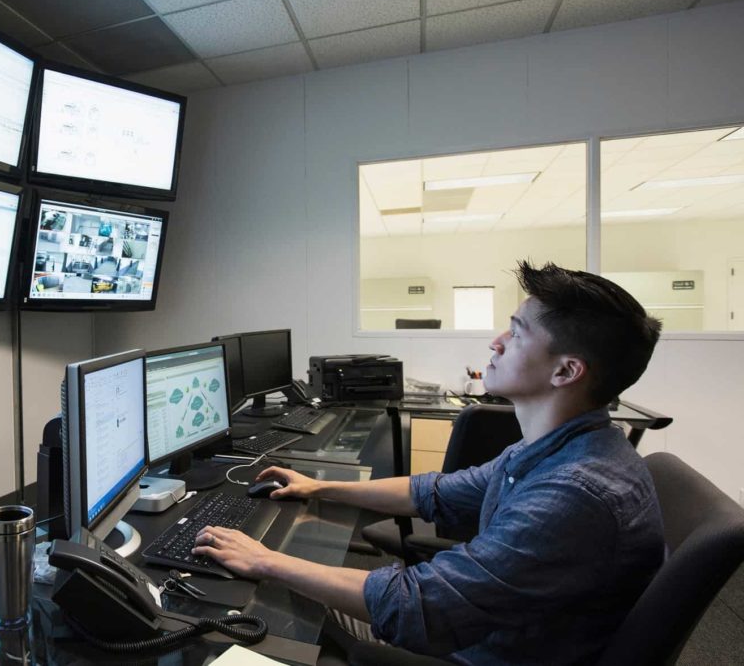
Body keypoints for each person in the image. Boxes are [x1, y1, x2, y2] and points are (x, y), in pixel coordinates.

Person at [193, 261, 666, 665]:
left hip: (475, 651)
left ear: (566, 371)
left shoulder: (573, 494)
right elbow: (432, 492)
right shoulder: (561, 448)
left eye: (517, 333)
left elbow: (417, 607)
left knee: (252, 617)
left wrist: (267, 561)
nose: (496, 342)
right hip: (489, 630)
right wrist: (318, 488)